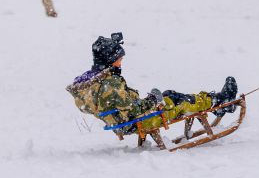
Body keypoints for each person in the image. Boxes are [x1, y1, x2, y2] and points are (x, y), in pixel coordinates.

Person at [66, 32, 239, 137]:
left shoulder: (92, 83)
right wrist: (153, 99)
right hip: (140, 121)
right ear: (110, 61)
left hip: (125, 123)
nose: (121, 62)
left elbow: (121, 106)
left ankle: (216, 102)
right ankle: (220, 102)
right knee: (175, 98)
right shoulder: (109, 85)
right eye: (119, 59)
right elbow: (134, 110)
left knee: (170, 95)